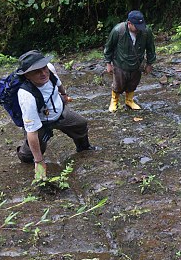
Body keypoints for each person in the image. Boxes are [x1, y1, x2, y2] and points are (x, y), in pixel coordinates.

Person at [15, 50, 97, 181]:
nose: (43, 73)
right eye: (37, 71)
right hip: (40, 123)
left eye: (44, 68)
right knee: (33, 152)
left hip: (59, 112)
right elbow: (32, 131)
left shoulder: (50, 70)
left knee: (80, 124)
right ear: (27, 76)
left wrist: (64, 95)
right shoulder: (26, 95)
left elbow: (58, 83)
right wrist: (39, 161)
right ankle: (24, 154)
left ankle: (83, 147)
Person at [104, 10, 156, 112]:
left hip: (137, 63)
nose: (139, 29)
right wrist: (108, 63)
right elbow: (109, 47)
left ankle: (129, 100)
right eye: (136, 27)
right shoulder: (118, 31)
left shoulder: (146, 31)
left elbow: (151, 48)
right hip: (120, 63)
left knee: (133, 83)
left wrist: (149, 64)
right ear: (129, 23)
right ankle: (114, 101)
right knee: (118, 85)